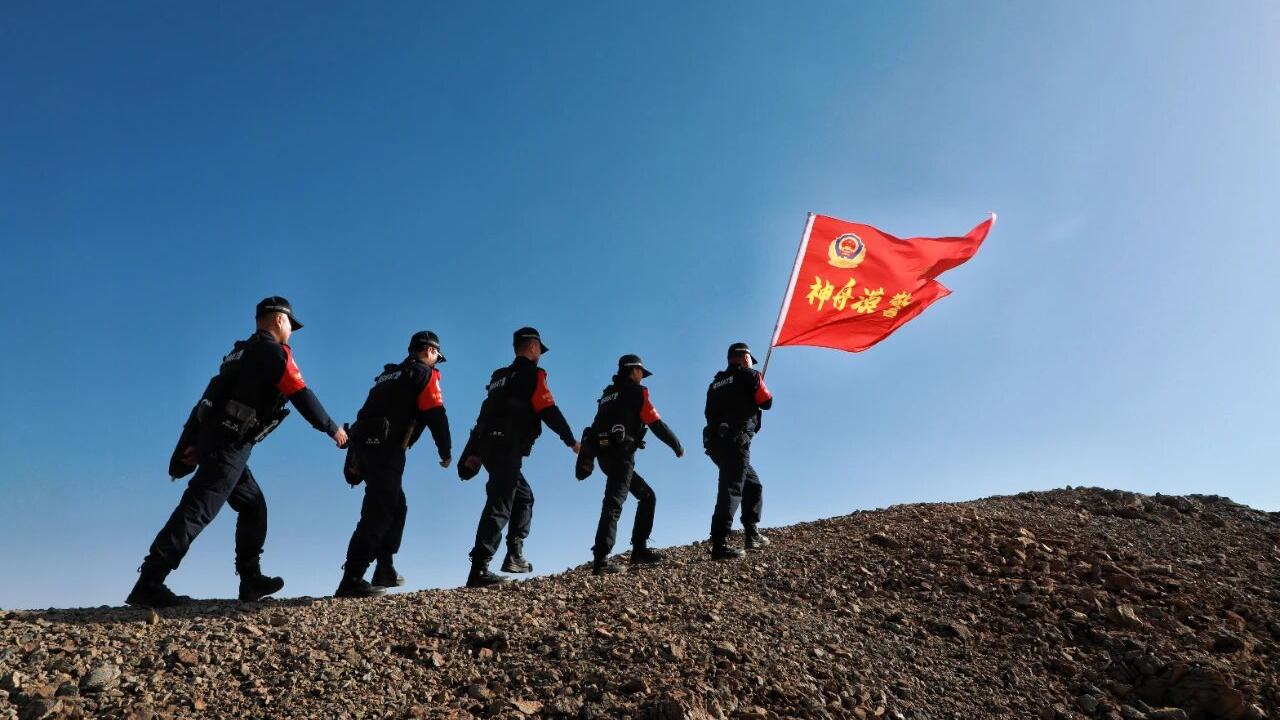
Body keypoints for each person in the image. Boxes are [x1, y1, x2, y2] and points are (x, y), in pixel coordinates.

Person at [127, 297, 348, 607]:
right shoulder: (274, 353)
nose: (291, 332)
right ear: (280, 320)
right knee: (197, 510)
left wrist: (197, 442)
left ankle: (250, 579)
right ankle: (150, 581)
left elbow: (212, 399)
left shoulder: (238, 353)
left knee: (253, 505)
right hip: (230, 446)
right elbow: (300, 394)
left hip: (219, 444)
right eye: (290, 325)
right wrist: (333, 429)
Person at [335, 331, 452, 598]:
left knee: (397, 506)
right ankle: (352, 578)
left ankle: (384, 568)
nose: (436, 361)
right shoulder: (423, 373)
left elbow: (364, 415)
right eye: (436, 355)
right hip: (387, 451)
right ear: (430, 351)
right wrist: (445, 450)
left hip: (365, 449)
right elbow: (436, 413)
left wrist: (354, 456)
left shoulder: (388, 375)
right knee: (379, 511)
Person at [460, 327, 579, 588]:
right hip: (507, 447)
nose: (540, 355)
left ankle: (514, 555)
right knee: (500, 503)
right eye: (539, 350)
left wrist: (473, 452)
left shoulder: (500, 377)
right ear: (533, 347)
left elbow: (485, 416)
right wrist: (570, 440)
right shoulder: (533, 374)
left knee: (523, 496)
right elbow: (549, 410)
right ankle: (479, 569)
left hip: (489, 446)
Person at [584, 354, 683, 575]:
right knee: (614, 504)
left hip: (605, 457)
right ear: (634, 371)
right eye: (641, 373)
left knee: (647, 496)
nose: (642, 377)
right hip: (621, 457)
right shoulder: (637, 392)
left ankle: (639, 550)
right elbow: (655, 423)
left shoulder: (607, 395)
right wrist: (676, 445)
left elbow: (594, 427)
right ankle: (601, 560)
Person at [704, 342, 773, 560]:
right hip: (736, 442)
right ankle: (720, 543)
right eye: (751, 359)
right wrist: (758, 380)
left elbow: (708, 414)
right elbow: (767, 402)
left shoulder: (715, 383)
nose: (752, 363)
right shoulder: (750, 375)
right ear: (745, 357)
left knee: (752, 484)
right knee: (732, 488)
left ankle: (751, 534)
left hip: (715, 444)